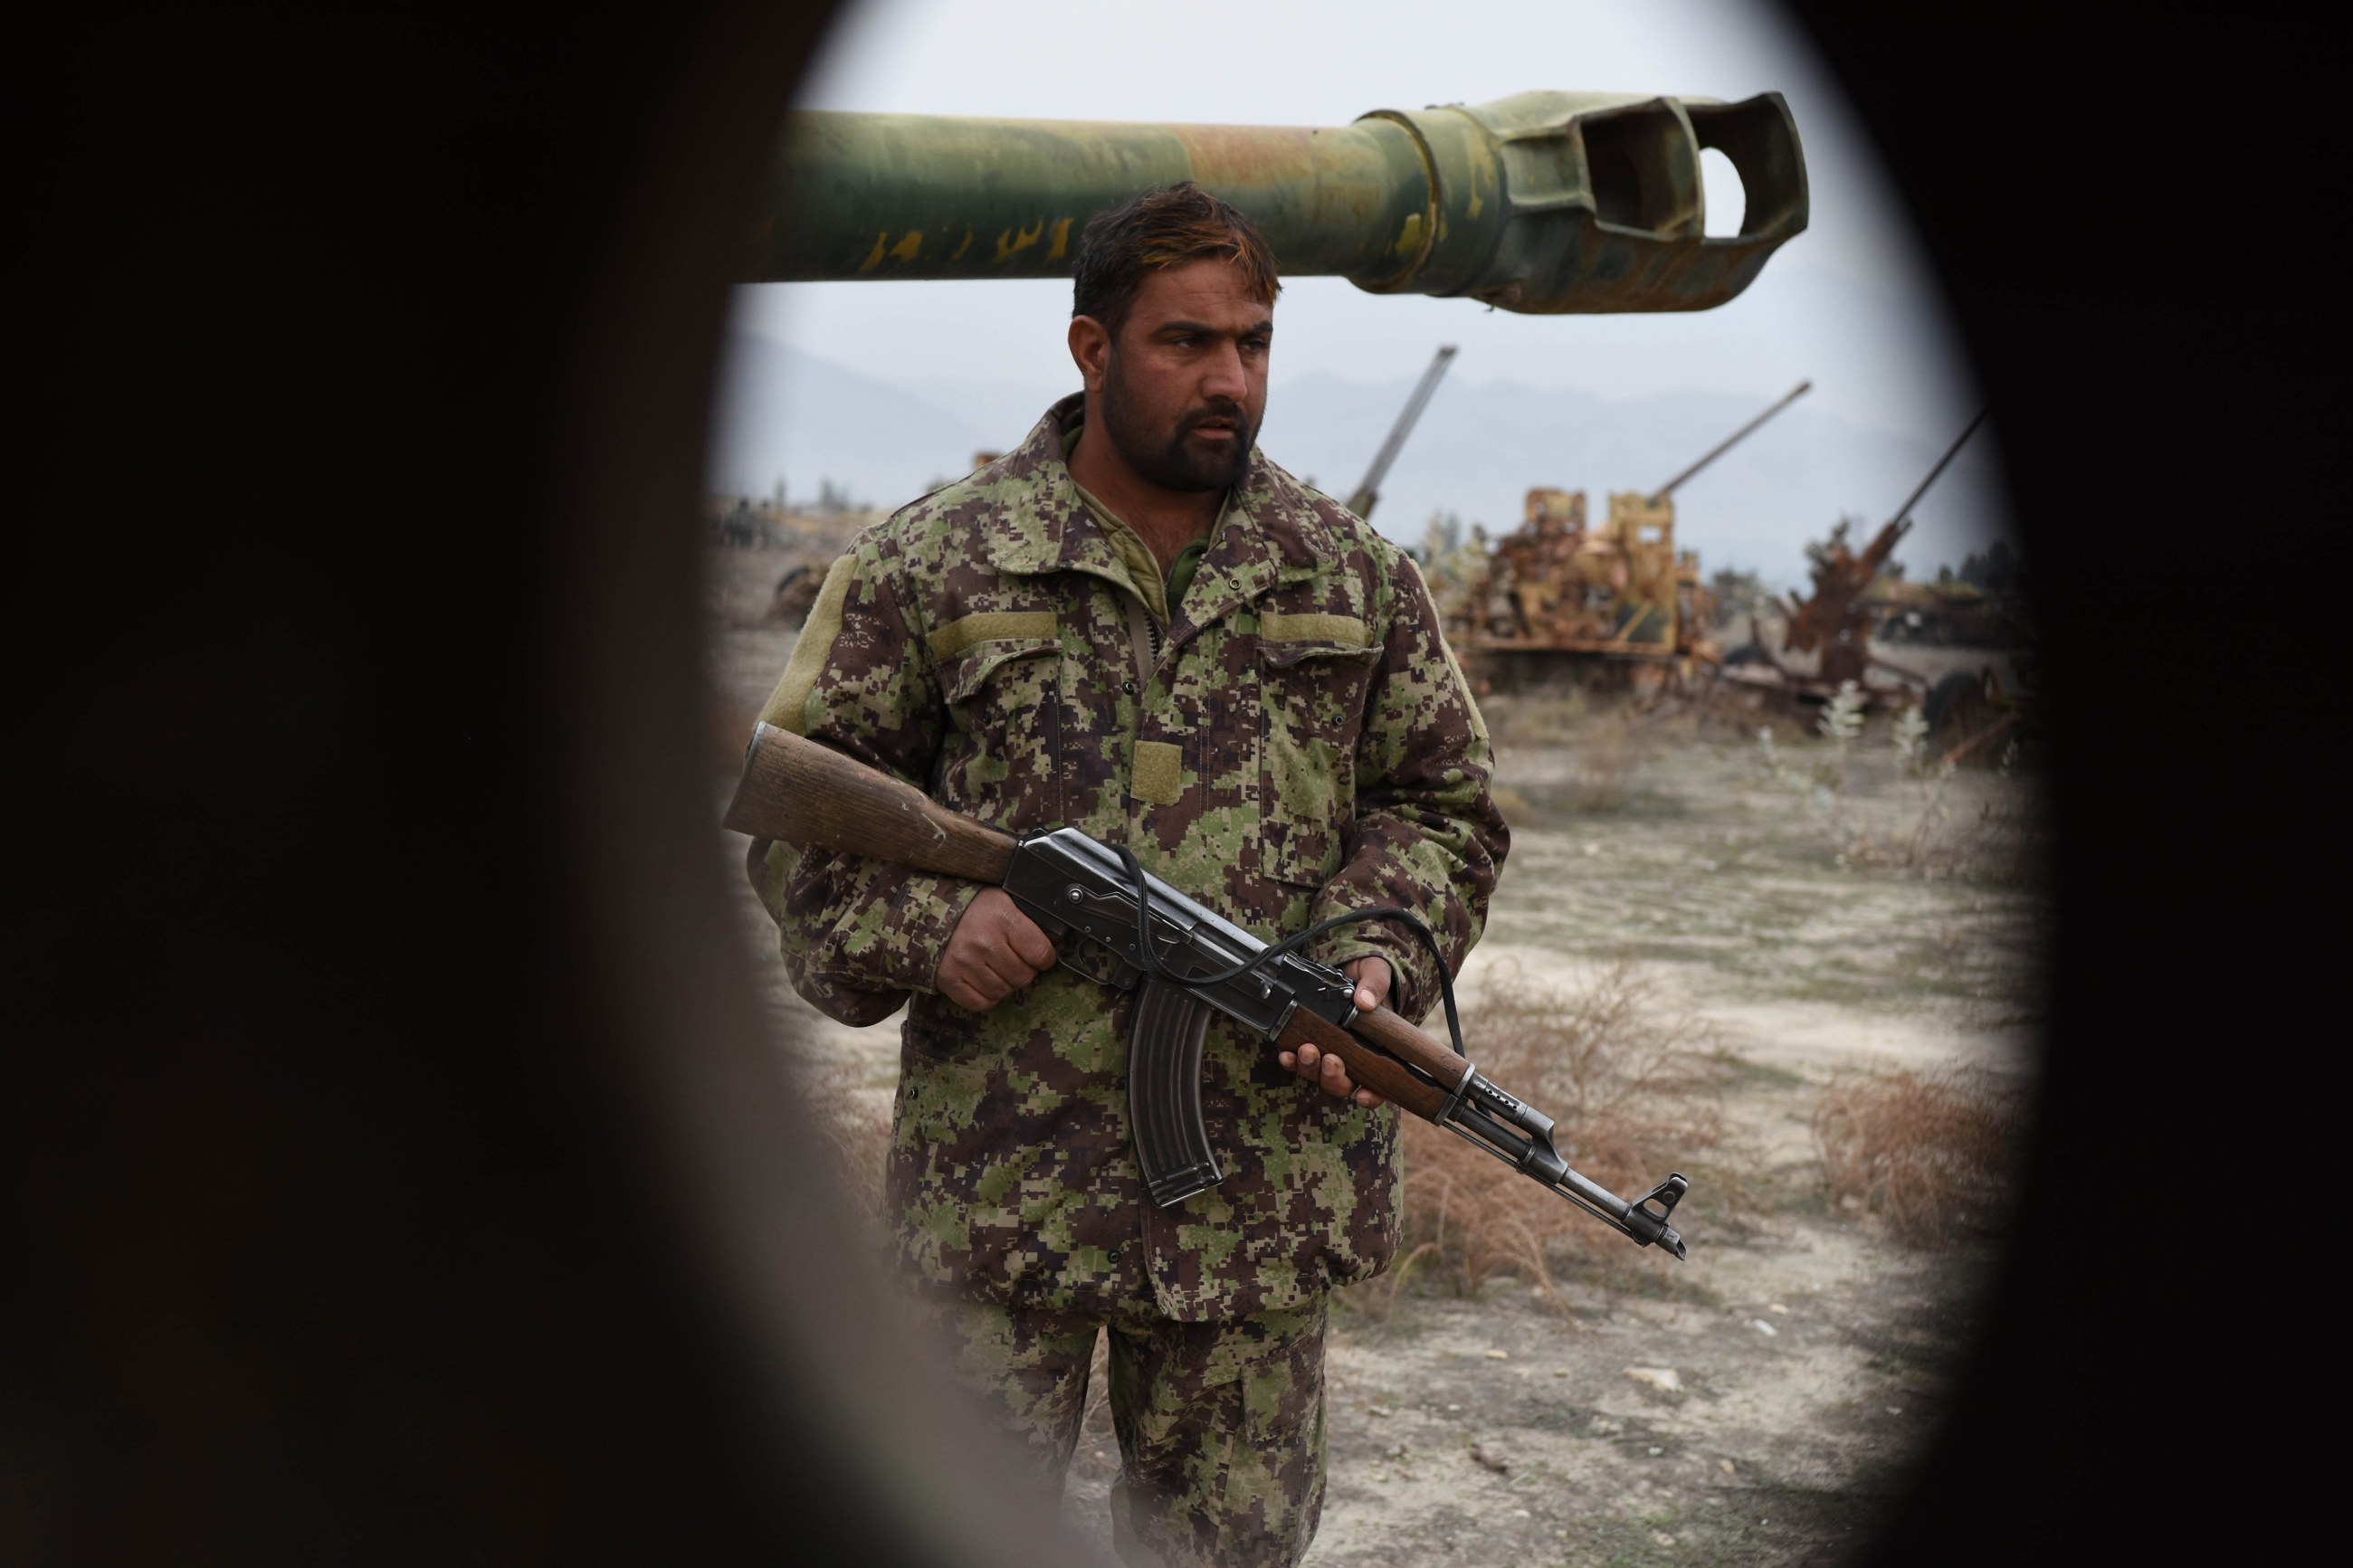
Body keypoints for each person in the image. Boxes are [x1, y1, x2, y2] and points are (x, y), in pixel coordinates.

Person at [747, 183, 1507, 1568]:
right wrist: (936, 927)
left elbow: (1445, 803)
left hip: (1259, 1209)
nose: (1232, 380)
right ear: (1092, 349)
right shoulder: (932, 564)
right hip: (997, 1198)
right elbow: (797, 825)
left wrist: (1376, 952)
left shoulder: (1354, 577)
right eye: (1188, 343)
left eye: (1256, 344)